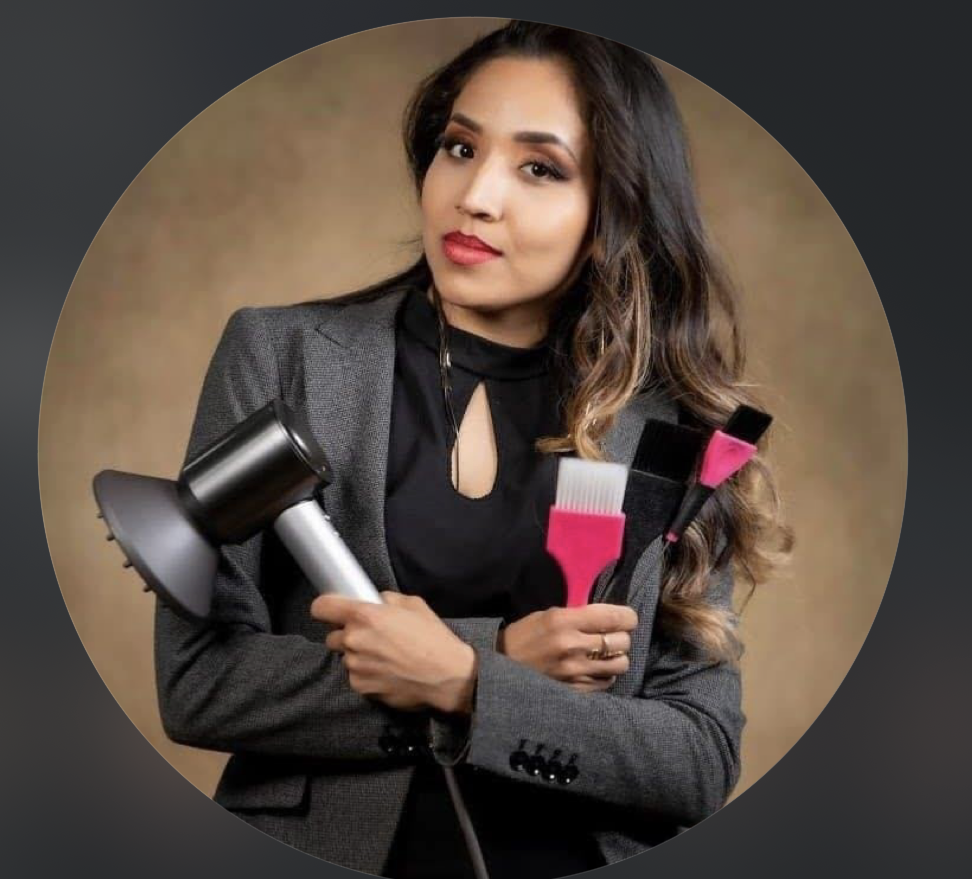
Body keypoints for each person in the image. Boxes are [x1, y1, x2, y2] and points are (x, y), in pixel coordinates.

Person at [155, 20, 791, 879]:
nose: (476, 195)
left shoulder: (671, 433)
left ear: (611, 213)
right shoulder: (284, 356)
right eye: (460, 147)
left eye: (540, 168)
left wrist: (465, 680)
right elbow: (199, 681)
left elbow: (697, 758)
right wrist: (490, 654)